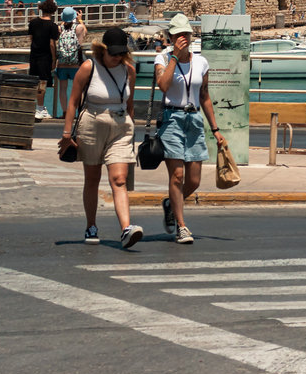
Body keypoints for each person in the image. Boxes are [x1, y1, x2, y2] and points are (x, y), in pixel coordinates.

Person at [59, 28, 145, 248]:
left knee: (119, 179)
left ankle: (126, 228)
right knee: (93, 177)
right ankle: (91, 225)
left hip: (121, 125)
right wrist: (67, 134)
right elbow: (73, 102)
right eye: (113, 53)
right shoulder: (89, 67)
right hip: (92, 122)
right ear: (103, 50)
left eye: (120, 53)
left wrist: (132, 130)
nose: (117, 57)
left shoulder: (129, 71)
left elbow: (130, 103)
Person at [154, 14, 225, 245]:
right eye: (179, 35)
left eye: (187, 34)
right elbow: (163, 85)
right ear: (171, 37)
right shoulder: (162, 59)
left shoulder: (201, 62)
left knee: (193, 180)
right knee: (177, 176)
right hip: (171, 117)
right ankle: (182, 226)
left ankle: (171, 204)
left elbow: (204, 96)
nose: (184, 38)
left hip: (193, 119)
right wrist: (174, 56)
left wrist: (215, 129)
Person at [27, 0, 60, 120]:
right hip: (45, 57)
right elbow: (52, 44)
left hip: (34, 55)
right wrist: (54, 58)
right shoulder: (53, 26)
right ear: (53, 11)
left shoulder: (33, 22)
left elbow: (31, 38)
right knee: (42, 83)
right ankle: (40, 108)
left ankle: (36, 107)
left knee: (34, 82)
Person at [53, 7, 85, 119]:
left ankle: (65, 112)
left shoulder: (59, 28)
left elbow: (63, 26)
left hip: (62, 64)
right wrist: (80, 19)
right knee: (78, 89)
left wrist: (64, 20)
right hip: (75, 64)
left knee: (62, 88)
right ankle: (79, 112)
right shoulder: (79, 27)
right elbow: (84, 33)